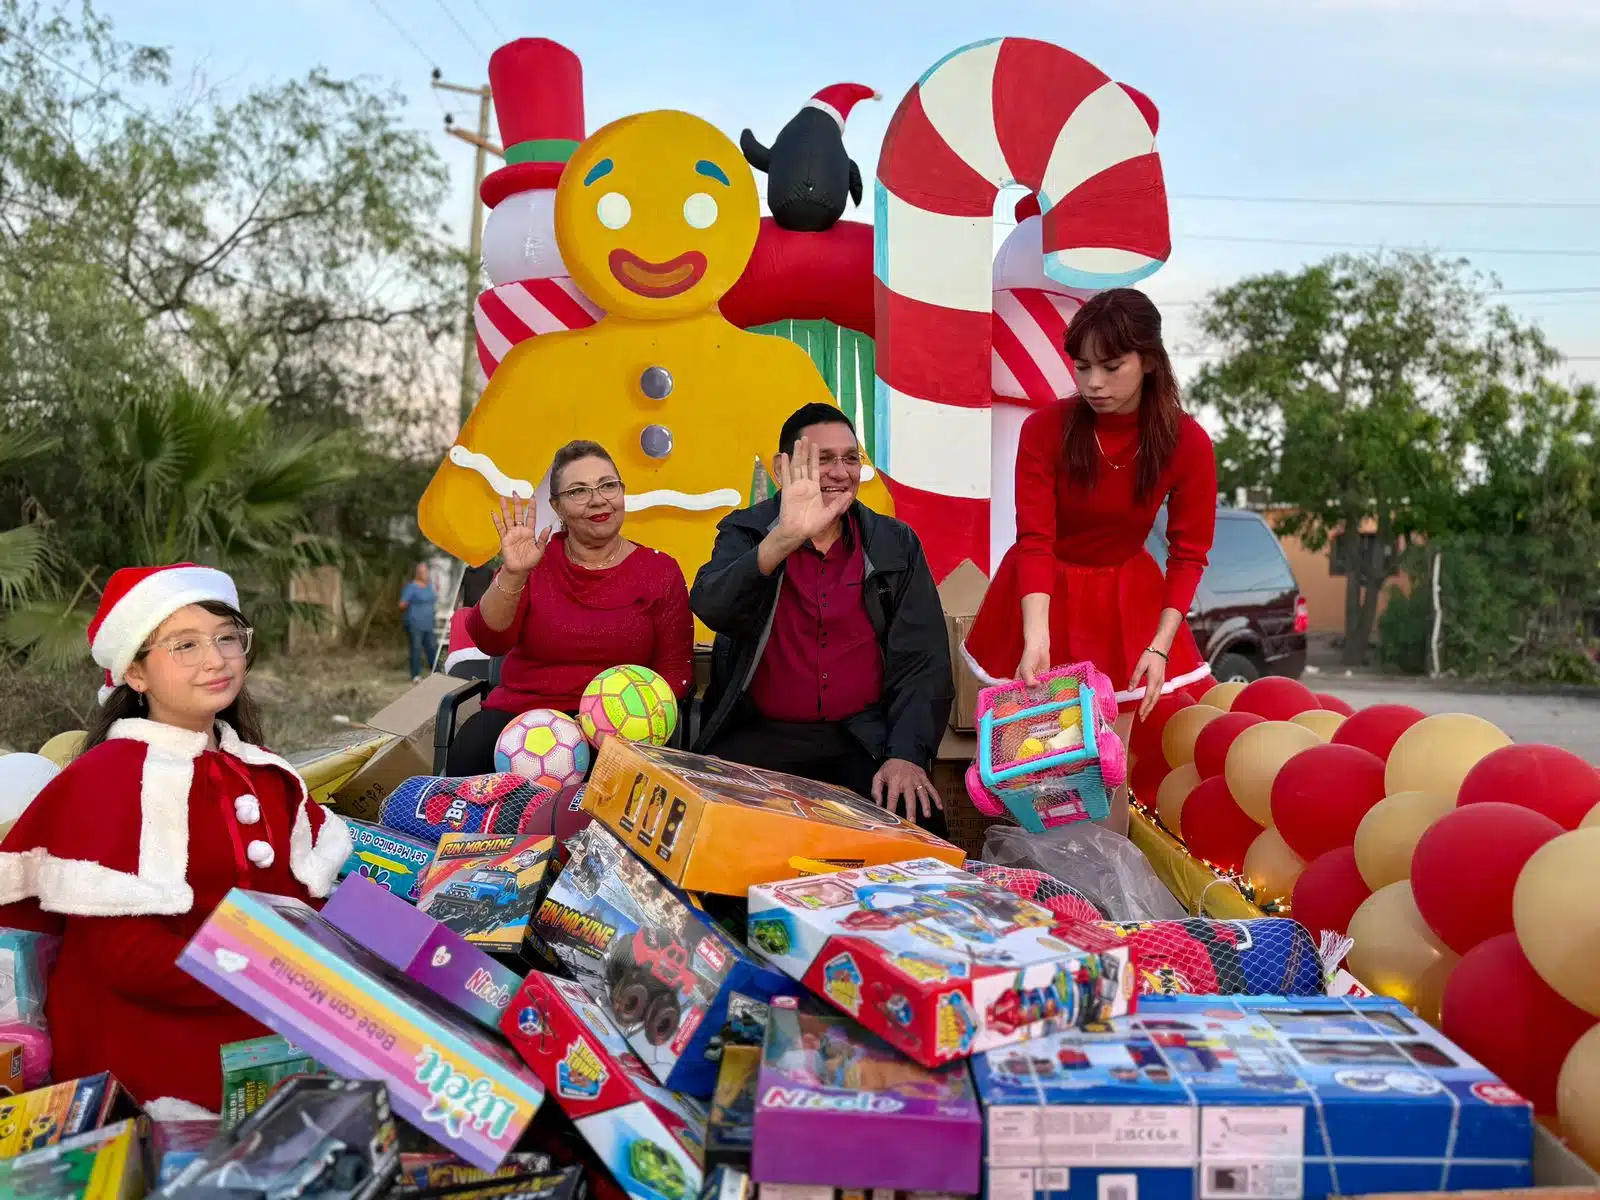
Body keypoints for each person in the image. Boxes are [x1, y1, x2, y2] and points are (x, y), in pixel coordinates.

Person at [0, 563, 352, 1116]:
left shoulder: (266, 773)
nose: (215, 660)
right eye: (184, 645)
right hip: (151, 1043)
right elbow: (130, 959)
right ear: (135, 674)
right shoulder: (110, 779)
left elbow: (309, 905)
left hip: (265, 1008)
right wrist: (284, 975)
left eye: (227, 639)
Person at [962, 289, 1218, 834]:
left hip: (1124, 603)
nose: (1094, 383)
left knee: (1103, 770)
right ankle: (1023, 895)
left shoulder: (1187, 441)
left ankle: (1101, 907)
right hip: (1040, 594)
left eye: (1111, 366)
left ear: (1149, 360)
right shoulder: (1045, 429)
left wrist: (1160, 645)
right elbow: (1034, 538)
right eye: (1082, 367)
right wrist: (1036, 637)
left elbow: (1189, 553)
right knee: (1029, 761)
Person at [691, 404, 952, 835]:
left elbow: (923, 659)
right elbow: (712, 605)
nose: (839, 472)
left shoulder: (894, 542)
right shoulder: (748, 531)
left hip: (862, 737)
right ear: (783, 469)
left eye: (850, 459)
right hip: (760, 734)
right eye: (822, 459)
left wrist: (906, 753)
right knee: (712, 840)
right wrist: (783, 538)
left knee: (918, 822)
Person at [447, 441, 694, 775]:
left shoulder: (660, 571)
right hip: (522, 719)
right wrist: (515, 573)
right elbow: (490, 641)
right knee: (474, 743)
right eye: (579, 491)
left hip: (618, 732)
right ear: (557, 507)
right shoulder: (534, 561)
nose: (598, 499)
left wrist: (615, 723)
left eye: (608, 485)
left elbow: (675, 673)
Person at [399, 562, 439, 681]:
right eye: (421, 572)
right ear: (417, 573)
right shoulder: (411, 587)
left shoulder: (430, 587)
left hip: (429, 624)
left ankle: (436, 674)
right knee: (416, 649)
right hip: (415, 624)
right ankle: (415, 675)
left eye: (425, 571)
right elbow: (402, 604)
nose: (423, 574)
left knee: (432, 649)